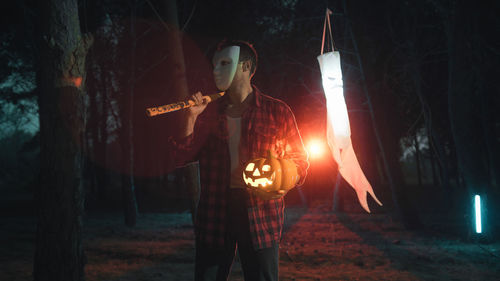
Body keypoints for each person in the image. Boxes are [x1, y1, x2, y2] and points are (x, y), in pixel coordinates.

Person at [172, 40, 309, 281]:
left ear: (246, 67)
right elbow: (182, 155)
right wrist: (190, 118)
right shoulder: (208, 113)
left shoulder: (277, 111)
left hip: (261, 212)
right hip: (216, 209)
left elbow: (299, 159)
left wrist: (285, 180)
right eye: (214, 64)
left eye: (225, 63)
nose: (216, 70)